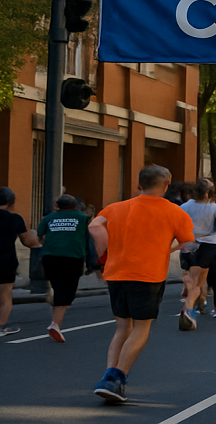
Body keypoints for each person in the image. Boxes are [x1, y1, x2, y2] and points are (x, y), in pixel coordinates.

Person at [89, 166, 195, 402]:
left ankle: (109, 376)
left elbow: (95, 226)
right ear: (167, 184)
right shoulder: (175, 212)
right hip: (148, 275)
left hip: (116, 273)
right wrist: (169, 248)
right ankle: (116, 378)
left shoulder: (116, 208)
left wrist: (105, 250)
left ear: (139, 185)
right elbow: (188, 243)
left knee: (121, 327)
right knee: (141, 328)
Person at [0, 188, 41, 338]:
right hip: (6, 259)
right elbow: (27, 241)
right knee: (4, 294)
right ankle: (1, 327)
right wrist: (38, 244)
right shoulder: (15, 219)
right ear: (12, 203)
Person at [37, 194, 92, 342]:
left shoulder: (48, 218)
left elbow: (40, 234)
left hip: (50, 256)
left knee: (58, 286)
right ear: (75, 205)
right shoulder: (83, 218)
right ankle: (55, 324)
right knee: (67, 292)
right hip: (73, 257)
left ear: (57, 205)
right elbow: (90, 237)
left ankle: (55, 305)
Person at [178, 179, 216, 329]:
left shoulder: (184, 207)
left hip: (189, 243)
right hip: (209, 244)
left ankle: (193, 299)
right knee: (206, 278)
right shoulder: (215, 208)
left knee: (189, 275)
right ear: (210, 192)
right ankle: (198, 307)